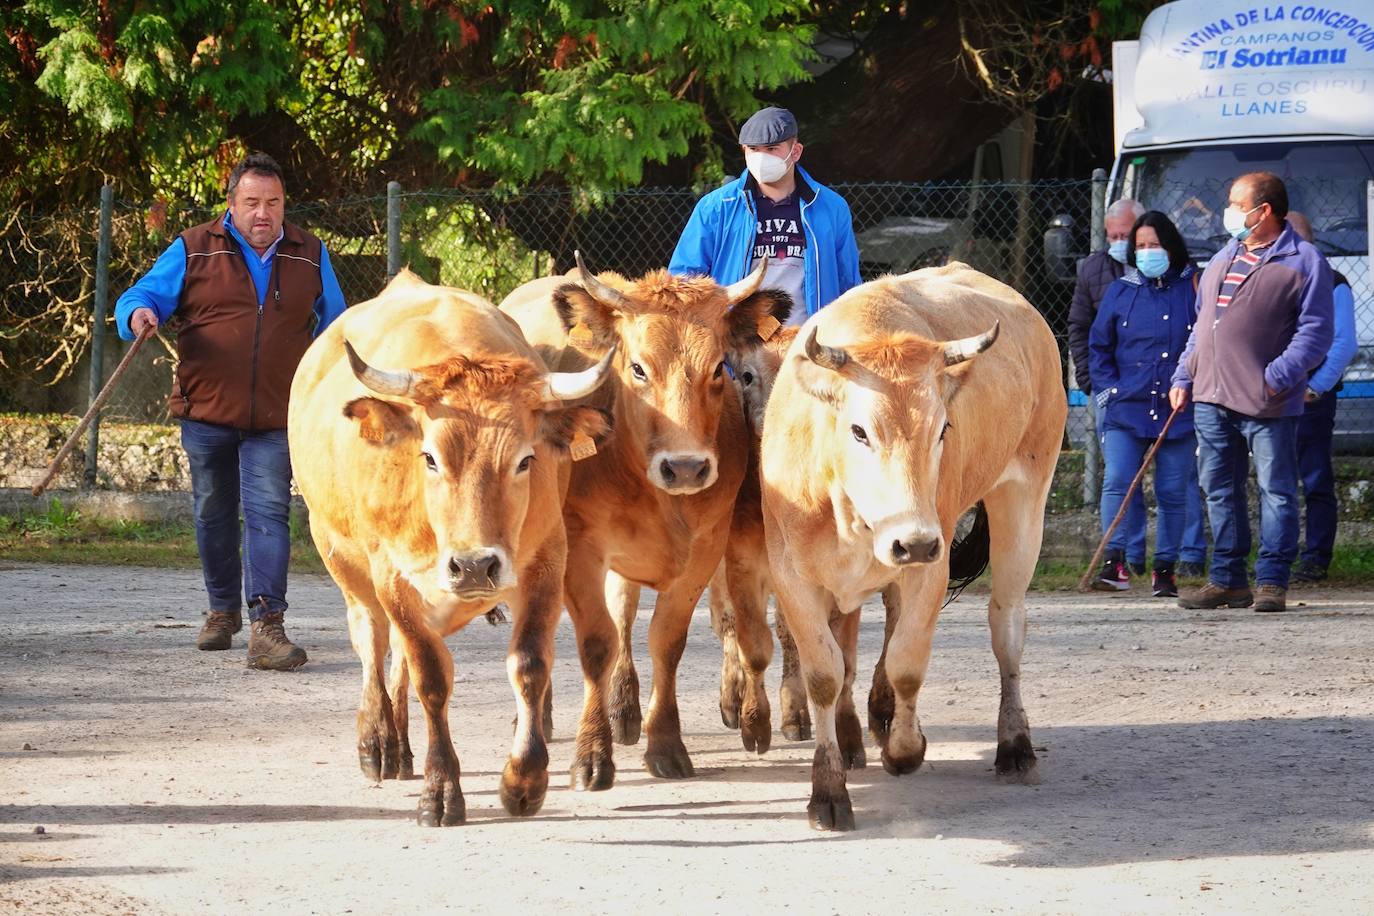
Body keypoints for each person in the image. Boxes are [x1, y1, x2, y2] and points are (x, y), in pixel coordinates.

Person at [114, 153, 347, 668]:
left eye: (273, 203)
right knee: (212, 512)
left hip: (278, 417)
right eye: (252, 202)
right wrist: (139, 314)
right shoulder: (193, 247)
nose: (263, 213)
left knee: (269, 512)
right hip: (207, 411)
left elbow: (337, 325)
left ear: (284, 204)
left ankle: (268, 625)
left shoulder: (310, 253)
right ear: (231, 204)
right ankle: (222, 611)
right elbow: (140, 294)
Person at [1170, 172, 1334, 613]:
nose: (1227, 212)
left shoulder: (1304, 261)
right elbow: (1202, 327)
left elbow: (1316, 333)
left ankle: (1271, 581)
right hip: (1210, 395)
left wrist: (1275, 377)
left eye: (1235, 204)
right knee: (1219, 489)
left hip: (1268, 400)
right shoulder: (1224, 256)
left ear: (1263, 211)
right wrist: (1184, 376)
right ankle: (1228, 580)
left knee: (1275, 491)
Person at [1069, 200, 1208, 578]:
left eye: (1154, 245)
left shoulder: (1195, 286)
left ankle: (1166, 567)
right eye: (1141, 246)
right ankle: (1115, 564)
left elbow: (1207, 341)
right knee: (1117, 481)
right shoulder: (1120, 290)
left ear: (1171, 246)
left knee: (1173, 490)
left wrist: (1193, 388)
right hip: (1126, 406)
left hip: (1177, 408)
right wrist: (1107, 391)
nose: (1147, 252)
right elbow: (1098, 345)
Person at [669, 106, 861, 325]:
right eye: (753, 149)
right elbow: (684, 280)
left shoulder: (831, 207)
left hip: (807, 339)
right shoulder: (716, 207)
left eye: (771, 148)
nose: (761, 157)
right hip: (736, 341)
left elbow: (849, 283)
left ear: (795, 152)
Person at [1285, 212, 1358, 583]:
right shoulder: (1272, 277)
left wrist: (1316, 388)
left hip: (1311, 398)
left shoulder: (1333, 282)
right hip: (1274, 397)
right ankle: (1278, 556)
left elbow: (1343, 344)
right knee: (1276, 482)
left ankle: (1316, 557)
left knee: (1314, 479)